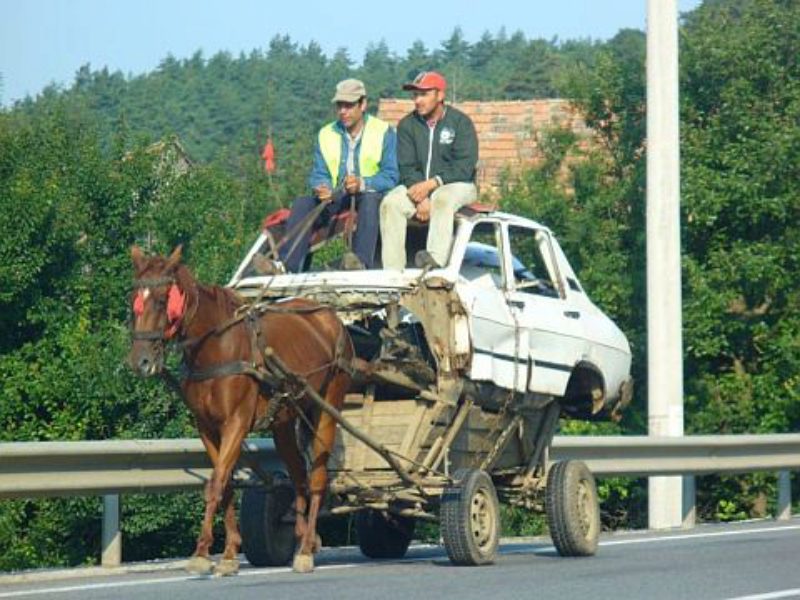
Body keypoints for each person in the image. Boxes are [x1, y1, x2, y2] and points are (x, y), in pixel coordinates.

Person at [278, 79, 398, 272]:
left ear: (363, 104)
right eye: (339, 106)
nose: (343, 111)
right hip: (336, 196)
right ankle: (285, 265)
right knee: (302, 203)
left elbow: (391, 176)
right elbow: (319, 173)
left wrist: (362, 183)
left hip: (368, 194)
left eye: (349, 106)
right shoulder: (325, 134)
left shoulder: (384, 132)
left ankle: (360, 263)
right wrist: (322, 187)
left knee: (369, 201)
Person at [379, 71, 478, 270]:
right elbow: (406, 166)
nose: (417, 100)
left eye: (423, 94)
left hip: (457, 185)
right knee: (391, 203)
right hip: (417, 187)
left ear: (439, 95)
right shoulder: (407, 125)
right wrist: (421, 197)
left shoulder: (461, 123)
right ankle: (392, 273)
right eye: (415, 95)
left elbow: (465, 166)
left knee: (442, 198)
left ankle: (435, 262)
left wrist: (433, 184)